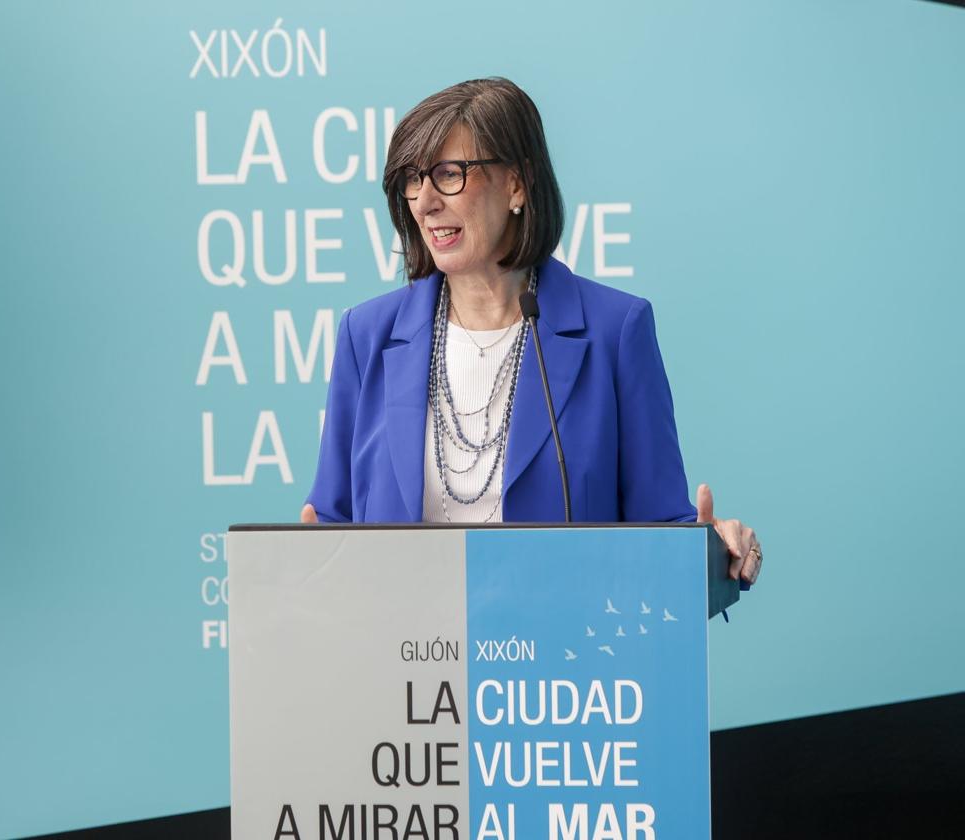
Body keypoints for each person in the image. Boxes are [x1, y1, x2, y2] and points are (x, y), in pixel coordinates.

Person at [300, 78, 760, 585]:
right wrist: (310, 564)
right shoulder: (367, 335)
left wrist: (711, 550)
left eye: (449, 174)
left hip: (560, 656)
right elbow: (331, 526)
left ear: (516, 184)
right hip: (403, 655)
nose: (424, 201)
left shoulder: (615, 332)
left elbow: (661, 530)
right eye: (411, 179)